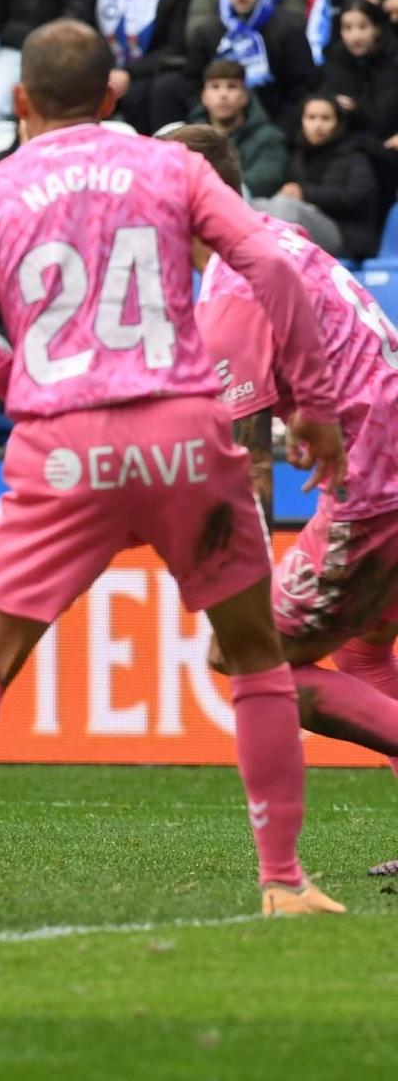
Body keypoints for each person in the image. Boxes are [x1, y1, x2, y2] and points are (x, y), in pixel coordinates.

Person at [0, 18, 349, 920]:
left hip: (62, 443)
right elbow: (271, 270)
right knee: (256, 657)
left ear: (21, 103)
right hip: (185, 433)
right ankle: (283, 881)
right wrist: (317, 410)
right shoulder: (173, 166)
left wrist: (48, 386)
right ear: (114, 96)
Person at [178, 125, 398, 847]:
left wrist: (242, 585)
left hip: (372, 491)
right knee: (366, 648)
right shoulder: (281, 240)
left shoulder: (234, 287)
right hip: (381, 469)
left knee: (246, 654)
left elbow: (253, 463)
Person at [184, 0, 314, 122]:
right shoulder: (208, 31)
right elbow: (193, 84)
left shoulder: (288, 27)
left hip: (277, 122)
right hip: (216, 124)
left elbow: (303, 85)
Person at [96, 0, 193, 133]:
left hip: (158, 70)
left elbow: (175, 47)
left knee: (144, 94)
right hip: (113, 72)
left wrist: (129, 72)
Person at [279, 92, 377, 262]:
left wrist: (305, 194)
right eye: (311, 117)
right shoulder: (297, 155)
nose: (317, 125)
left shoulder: (355, 155)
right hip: (308, 229)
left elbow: (359, 196)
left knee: (289, 210)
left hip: (345, 235)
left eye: (325, 118)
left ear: (338, 123)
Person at [185, 58, 288, 197]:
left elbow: (266, 179)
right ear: (204, 96)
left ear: (245, 96)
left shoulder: (269, 137)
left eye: (232, 86)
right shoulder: (187, 137)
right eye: (215, 87)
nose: (223, 95)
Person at [319, 0, 398, 150]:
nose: (355, 36)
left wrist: (355, 109)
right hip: (344, 144)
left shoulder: (393, 63)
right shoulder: (336, 58)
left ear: (377, 28)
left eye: (363, 27)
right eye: (347, 28)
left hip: (386, 143)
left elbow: (383, 120)